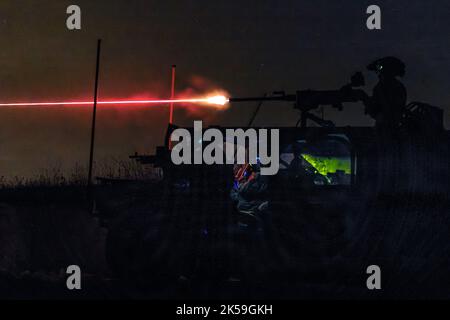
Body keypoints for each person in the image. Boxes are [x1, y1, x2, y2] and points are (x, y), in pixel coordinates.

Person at [360, 56, 407, 131]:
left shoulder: (389, 87)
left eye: (381, 71)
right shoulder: (383, 86)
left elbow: (390, 108)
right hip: (387, 124)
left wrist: (366, 100)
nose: (378, 74)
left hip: (388, 126)